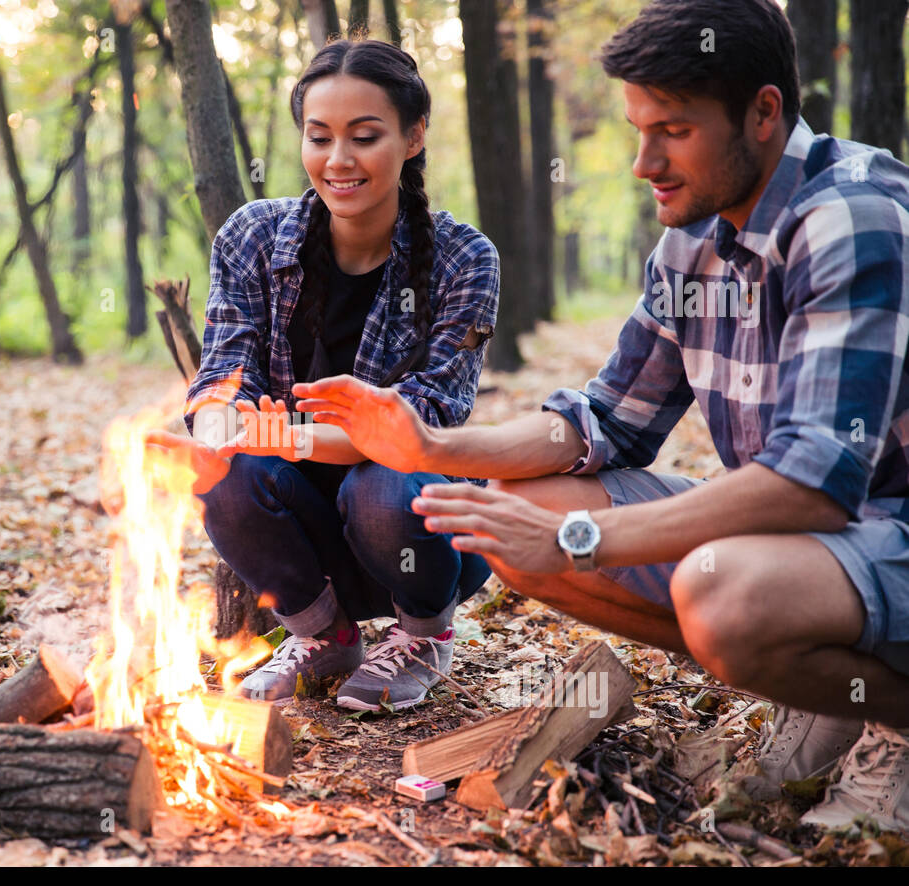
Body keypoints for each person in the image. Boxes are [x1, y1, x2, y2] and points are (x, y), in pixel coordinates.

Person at [294, 0, 909, 832]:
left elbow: (812, 486)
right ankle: (828, 696)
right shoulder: (694, 239)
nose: (642, 161)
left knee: (718, 594)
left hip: (884, 533)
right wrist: (432, 441)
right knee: (524, 515)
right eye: (636, 129)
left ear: (764, 113)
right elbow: (605, 422)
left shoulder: (850, 216)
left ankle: (897, 725)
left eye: (674, 130)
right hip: (826, 551)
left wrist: (581, 541)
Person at [150, 39, 499, 712]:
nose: (338, 161)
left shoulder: (464, 257)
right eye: (320, 137)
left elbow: (420, 426)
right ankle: (324, 636)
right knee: (222, 474)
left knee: (383, 483)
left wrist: (291, 439)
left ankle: (423, 634)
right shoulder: (253, 236)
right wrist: (221, 430)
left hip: (419, 532)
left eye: (364, 137)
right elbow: (224, 371)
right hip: (304, 536)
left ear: (414, 135)